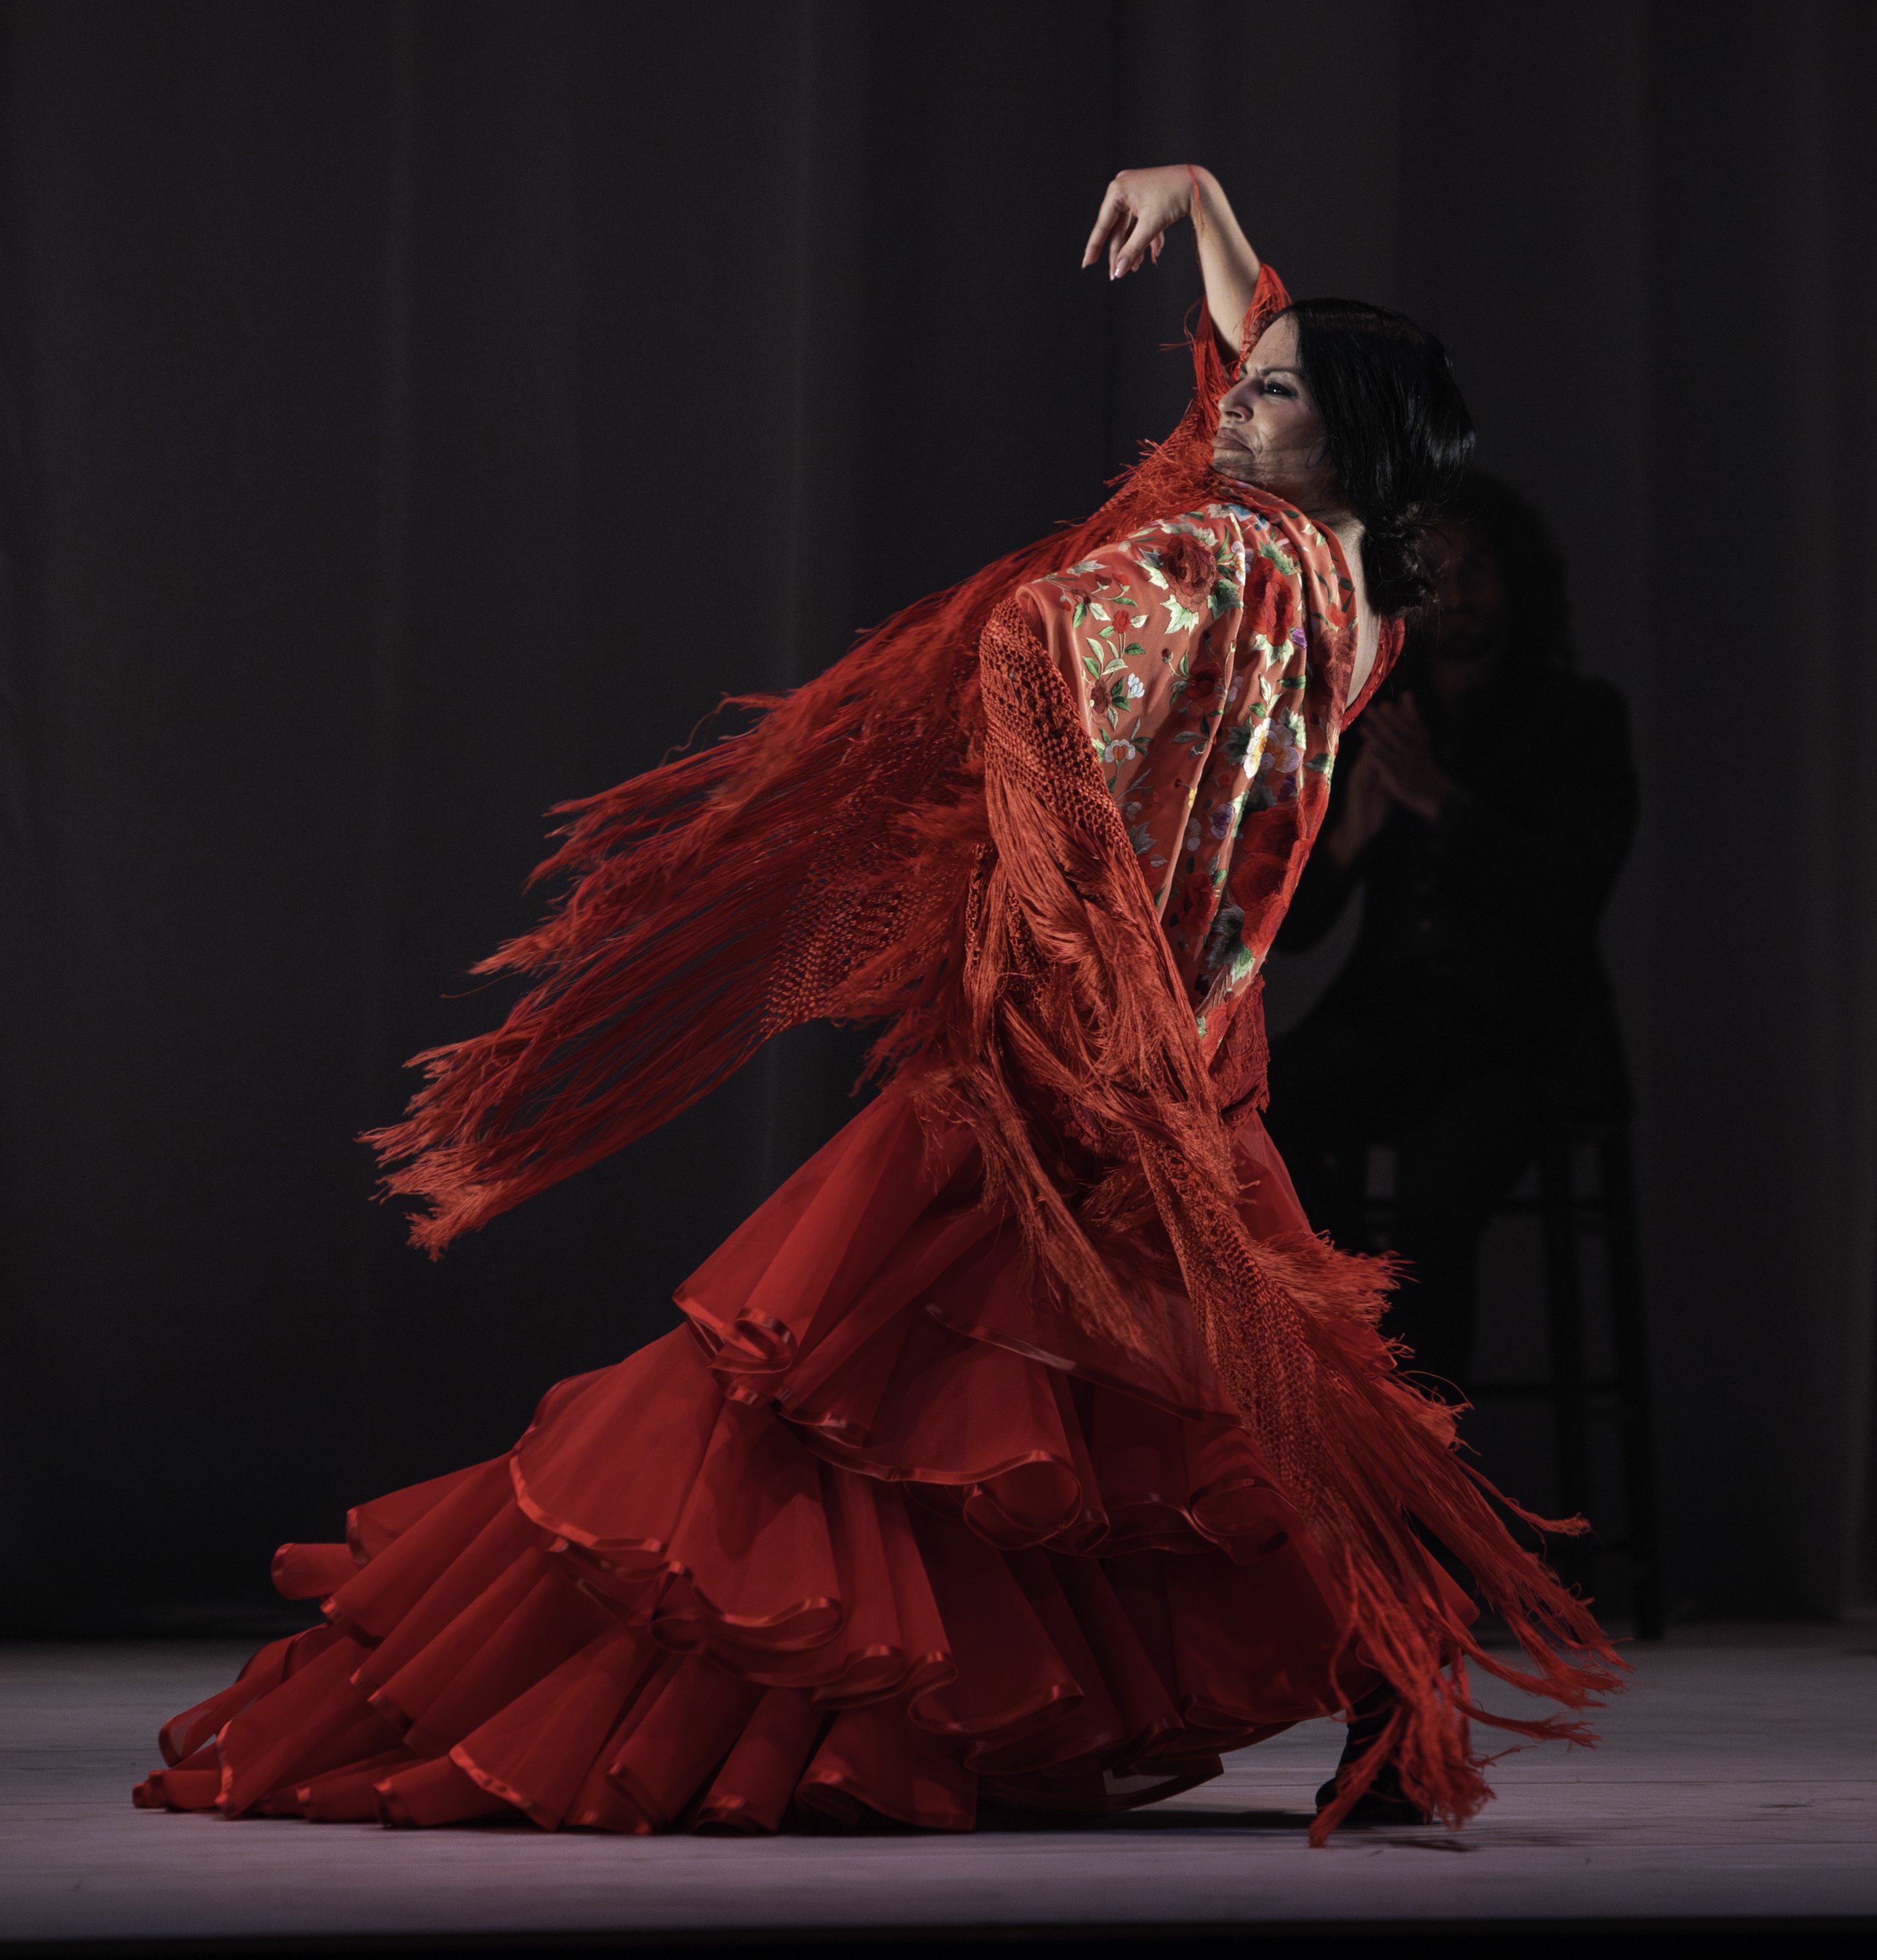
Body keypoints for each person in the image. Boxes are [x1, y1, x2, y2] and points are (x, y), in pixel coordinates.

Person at [133, 166, 1617, 1844]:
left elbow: (1042, 642)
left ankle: (785, 1715)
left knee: (827, 1376)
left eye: (1272, 396)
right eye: (1249, 376)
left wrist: (1049, 908)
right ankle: (1376, 1703)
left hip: (1080, 1037)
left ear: (1344, 436)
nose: (1231, 402)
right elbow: (1256, 366)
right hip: (1184, 1055)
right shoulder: (1359, 596)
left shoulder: (1233, 557)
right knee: (1195, 1390)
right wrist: (1205, 206)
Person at [1264, 481, 1639, 1392]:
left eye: (1479, 566)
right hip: (1394, 1019)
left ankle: (1421, 1460)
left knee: (1440, 1189)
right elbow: (1298, 927)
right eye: (1438, 568)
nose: (1459, 587)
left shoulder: (1578, 718)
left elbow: (1568, 898)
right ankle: (1351, 1370)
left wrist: (1443, 804)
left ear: (1517, 583)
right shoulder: (1379, 717)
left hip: (1523, 1036)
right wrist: (1347, 839)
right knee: (1261, 1115)